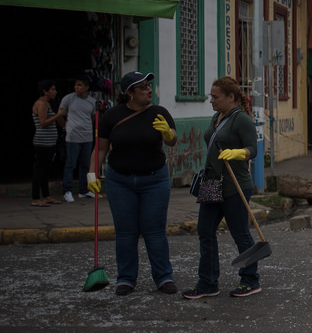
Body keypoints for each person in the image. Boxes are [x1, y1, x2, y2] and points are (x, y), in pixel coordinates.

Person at [90, 72, 178, 296]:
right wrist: (91, 174)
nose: (149, 90)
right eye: (142, 87)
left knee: (155, 230)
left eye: (149, 86)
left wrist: (167, 134)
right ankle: (126, 279)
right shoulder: (112, 115)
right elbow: (100, 149)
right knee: (126, 232)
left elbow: (172, 139)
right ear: (129, 93)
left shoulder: (159, 112)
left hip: (154, 180)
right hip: (120, 181)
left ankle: (164, 276)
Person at [183, 76, 262, 300]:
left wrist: (239, 153)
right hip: (211, 183)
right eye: (210, 96)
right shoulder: (217, 117)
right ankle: (207, 282)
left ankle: (250, 280)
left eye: (215, 97)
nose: (211, 100)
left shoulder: (242, 120)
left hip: (234, 185)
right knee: (205, 230)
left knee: (240, 233)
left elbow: (252, 149)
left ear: (231, 97)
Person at [59, 76, 99, 202]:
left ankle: (84, 190)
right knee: (70, 164)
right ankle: (67, 191)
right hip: (73, 137)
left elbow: (92, 118)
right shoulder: (69, 99)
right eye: (76, 85)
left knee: (86, 165)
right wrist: (64, 126)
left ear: (87, 87)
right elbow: (60, 114)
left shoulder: (92, 101)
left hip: (87, 137)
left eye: (80, 85)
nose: (77, 87)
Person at [31, 80, 64, 207]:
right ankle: (35, 198)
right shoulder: (41, 104)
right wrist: (58, 116)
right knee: (39, 170)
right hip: (42, 142)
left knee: (45, 170)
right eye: (52, 89)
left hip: (49, 142)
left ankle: (46, 195)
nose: (55, 92)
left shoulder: (49, 104)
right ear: (45, 91)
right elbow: (43, 122)